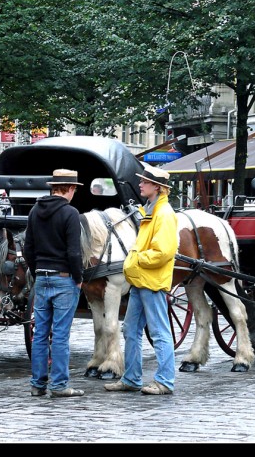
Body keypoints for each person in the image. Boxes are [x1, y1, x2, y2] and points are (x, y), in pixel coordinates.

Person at [104, 166, 178, 395]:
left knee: (159, 332)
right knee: (131, 330)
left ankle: (165, 381)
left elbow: (163, 252)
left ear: (157, 187)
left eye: (145, 182)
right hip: (141, 280)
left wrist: (135, 260)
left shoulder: (163, 214)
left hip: (151, 281)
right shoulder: (152, 210)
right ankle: (132, 378)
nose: (140, 185)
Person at [24, 169, 85, 398]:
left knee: (40, 333)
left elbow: (28, 248)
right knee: (60, 335)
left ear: (53, 187)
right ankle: (59, 385)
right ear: (69, 189)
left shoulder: (34, 211)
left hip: (41, 277)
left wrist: (36, 271)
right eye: (74, 189)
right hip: (63, 278)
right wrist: (78, 278)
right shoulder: (70, 213)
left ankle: (37, 384)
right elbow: (73, 252)